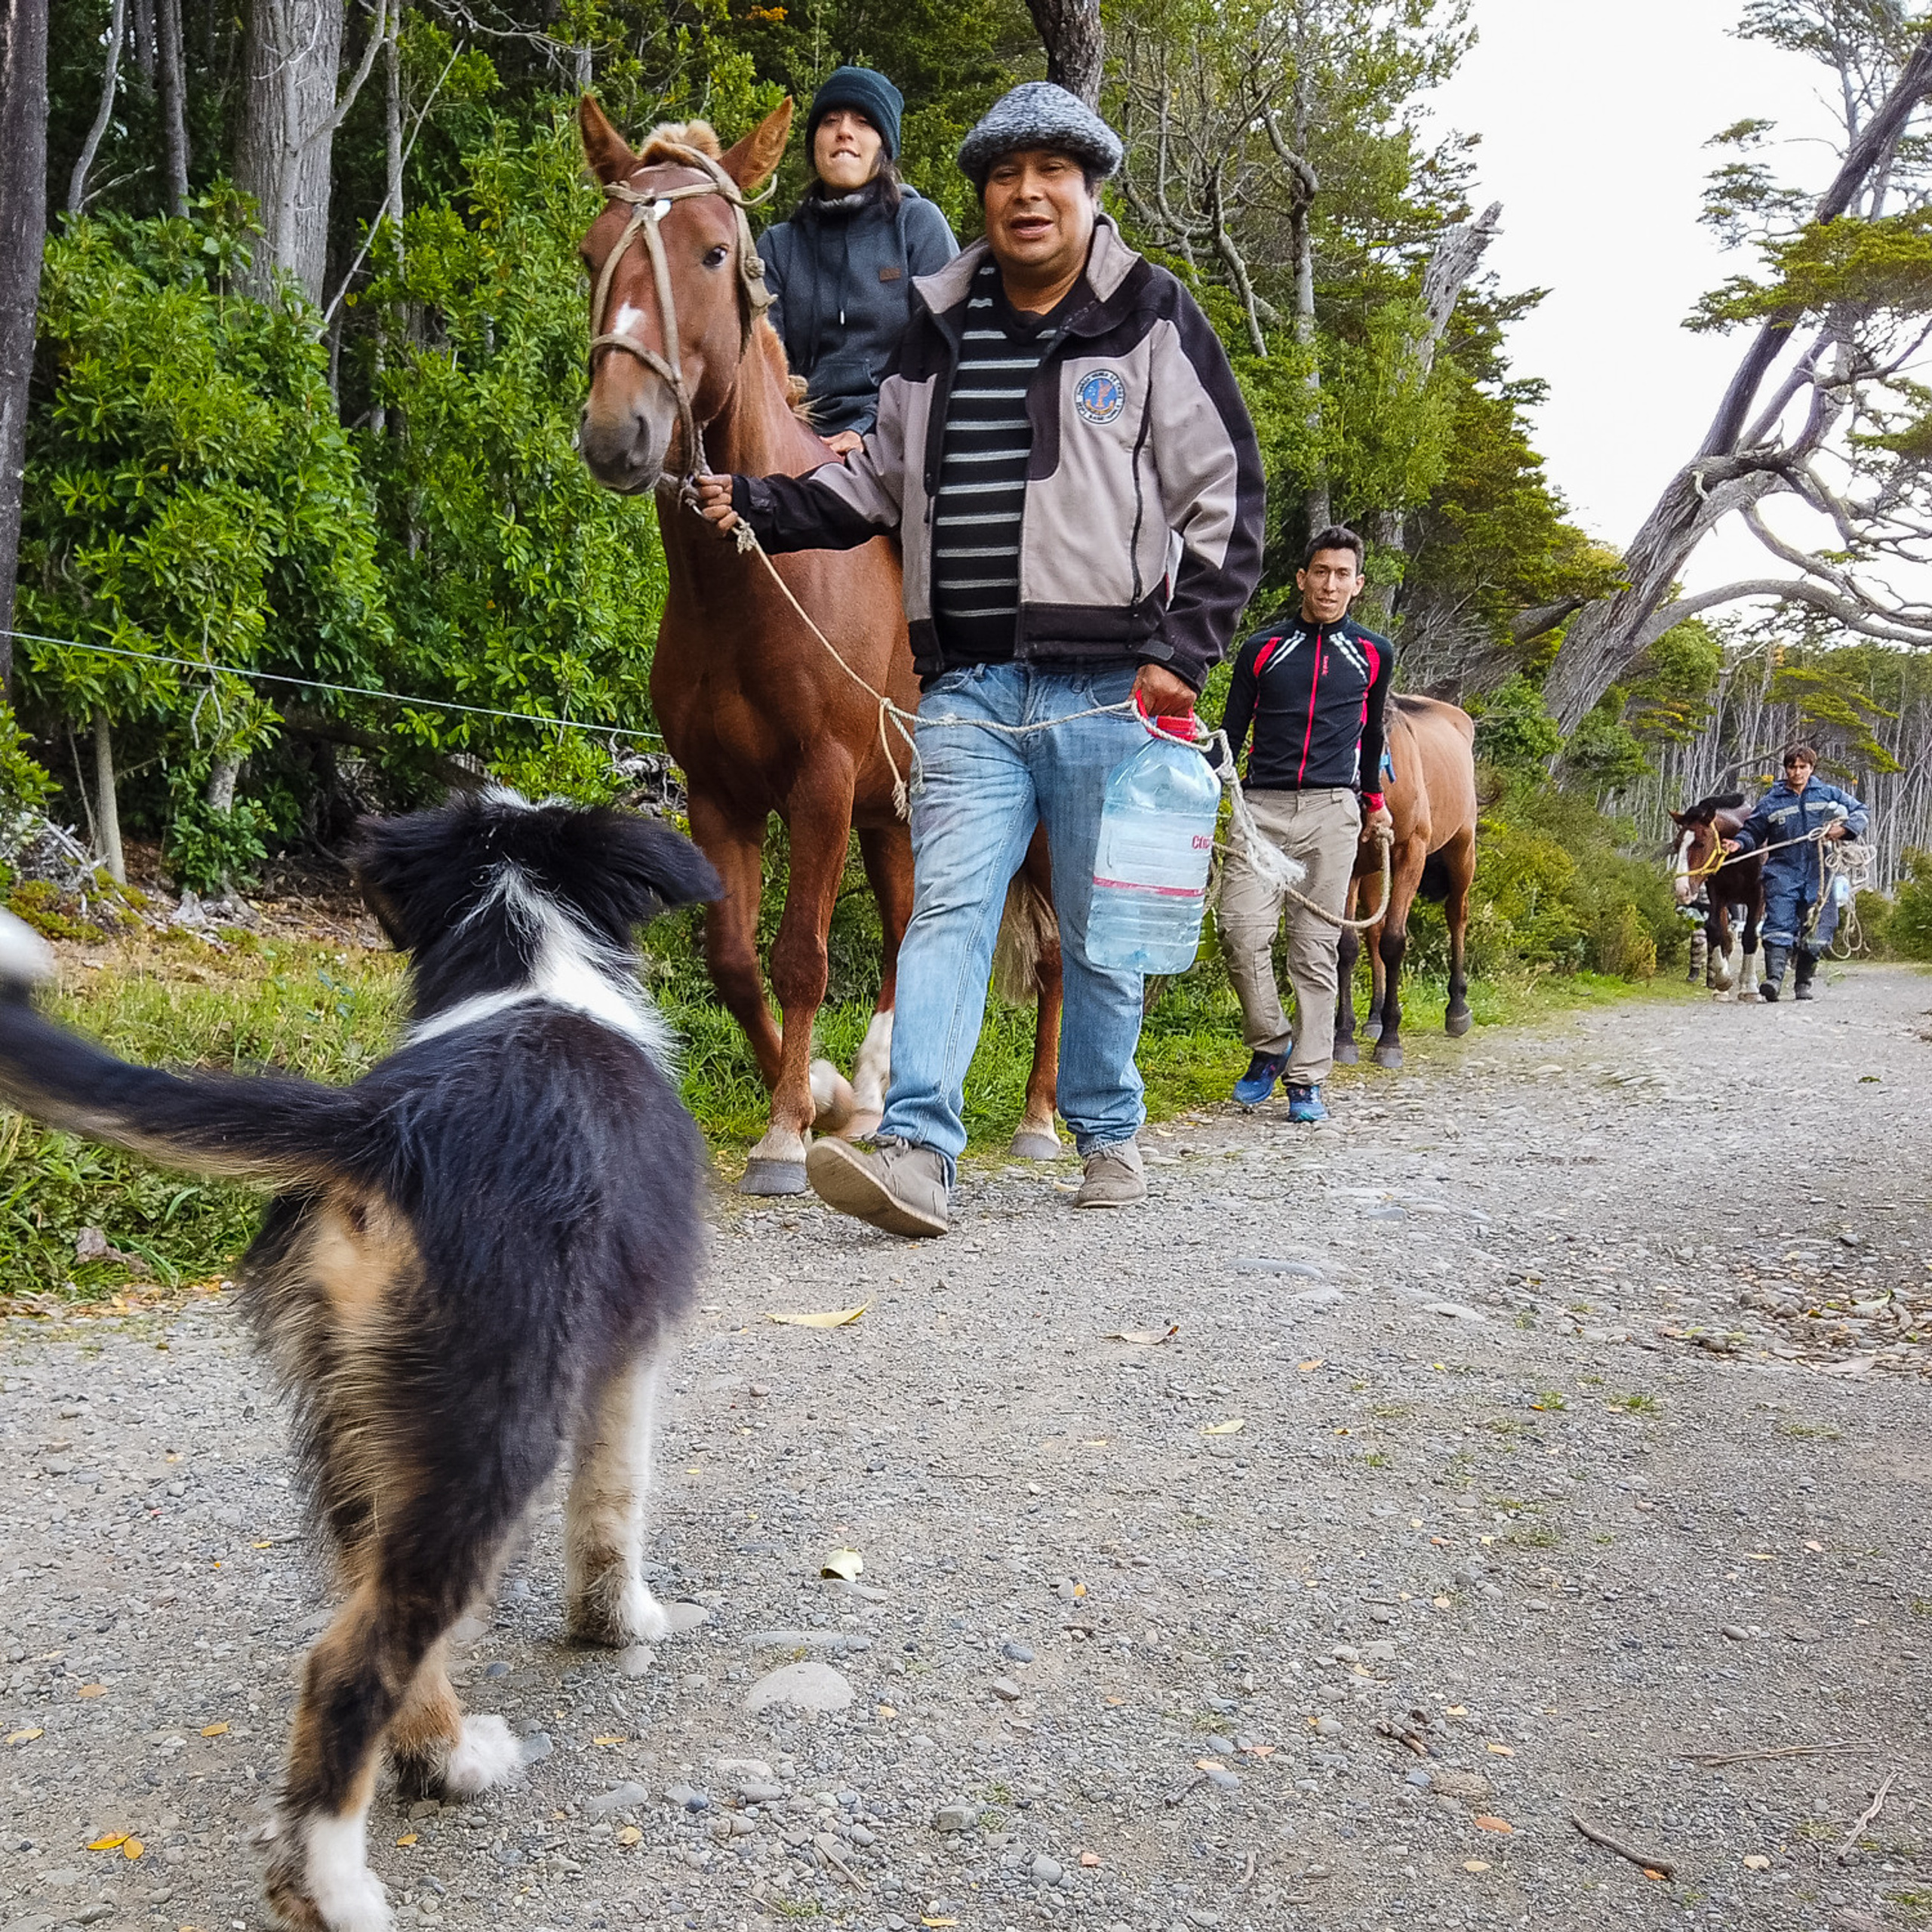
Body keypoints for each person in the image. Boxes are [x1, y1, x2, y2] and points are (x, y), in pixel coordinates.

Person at [696, 81, 1265, 1237]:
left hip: (1112, 687)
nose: (1026, 193)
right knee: (947, 909)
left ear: (1088, 189)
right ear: (983, 198)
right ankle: (917, 1151)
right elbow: (872, 481)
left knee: (1100, 931)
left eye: (1051, 171)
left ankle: (1106, 1126)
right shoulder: (939, 323)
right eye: (1005, 176)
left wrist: (1183, 652)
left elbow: (1227, 497)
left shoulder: (1153, 317)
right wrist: (757, 500)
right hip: (965, 688)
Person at [1217, 526, 1394, 1122]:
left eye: (1343, 574)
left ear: (1358, 585)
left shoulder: (1373, 653)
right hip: (1259, 806)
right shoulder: (1263, 649)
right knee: (1240, 931)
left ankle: (1307, 1078)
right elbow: (1230, 732)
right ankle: (1271, 1043)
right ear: (1302, 578)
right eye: (1321, 571)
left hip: (1331, 811)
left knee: (1316, 950)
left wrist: (1373, 803)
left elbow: (1372, 737)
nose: (1330, 583)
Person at [758, 66, 958, 454]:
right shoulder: (778, 245)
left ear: (884, 146)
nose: (844, 131)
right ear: (814, 142)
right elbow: (763, 366)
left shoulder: (917, 225)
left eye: (863, 122)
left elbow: (942, 347)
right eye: (830, 121)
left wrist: (869, 429)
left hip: (899, 437)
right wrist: (797, 441)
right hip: (796, 439)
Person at [1724, 743, 1867, 1001]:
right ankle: (1774, 981)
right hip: (1783, 872)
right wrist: (1738, 843)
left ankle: (1803, 983)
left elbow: (1861, 811)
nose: (1797, 772)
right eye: (1792, 767)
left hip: (1819, 872)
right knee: (1778, 925)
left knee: (1819, 930)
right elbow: (1752, 831)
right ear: (1786, 769)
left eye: (1803, 767)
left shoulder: (1828, 794)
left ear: (1812, 768)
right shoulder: (1771, 801)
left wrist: (1843, 830)